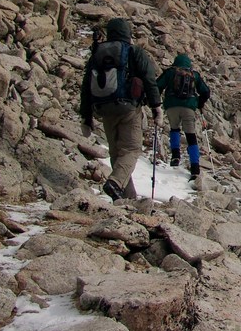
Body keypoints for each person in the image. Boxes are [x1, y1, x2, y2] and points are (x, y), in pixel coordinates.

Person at [80, 18, 161, 201]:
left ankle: (126, 199)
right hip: (128, 108)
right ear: (127, 33)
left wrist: (86, 118)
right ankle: (116, 183)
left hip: (104, 109)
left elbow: (86, 87)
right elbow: (149, 80)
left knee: (116, 154)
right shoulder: (133, 51)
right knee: (131, 150)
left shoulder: (98, 53)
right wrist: (156, 107)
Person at [156, 53, 210, 182]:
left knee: (174, 128)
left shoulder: (170, 72)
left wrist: (156, 102)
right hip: (188, 108)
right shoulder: (194, 74)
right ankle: (195, 168)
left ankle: (175, 155)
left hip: (171, 106)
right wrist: (199, 103)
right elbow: (206, 91)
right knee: (191, 136)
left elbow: (157, 85)